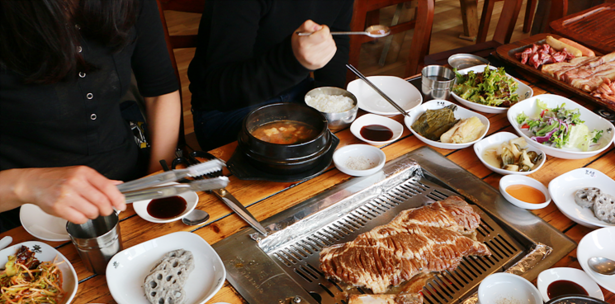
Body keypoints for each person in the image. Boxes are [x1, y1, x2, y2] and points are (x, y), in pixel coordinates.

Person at [0, 0, 181, 232]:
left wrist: (156, 179)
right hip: (25, 218)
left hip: (128, 188)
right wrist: (27, 185)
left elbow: (160, 92)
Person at [187, 0, 354, 151]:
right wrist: (292, 61)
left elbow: (337, 38)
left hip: (298, 91)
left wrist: (333, 105)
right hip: (227, 109)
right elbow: (221, 92)